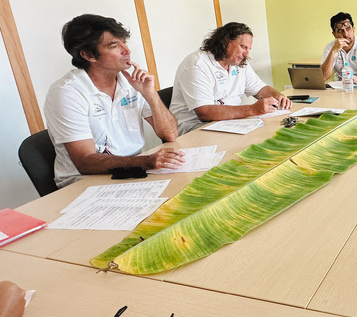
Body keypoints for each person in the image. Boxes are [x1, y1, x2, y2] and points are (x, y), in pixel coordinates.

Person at [45, 14, 183, 188]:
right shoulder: (66, 92)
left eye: (124, 42)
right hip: (84, 182)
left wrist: (150, 94)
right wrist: (144, 162)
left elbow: (170, 134)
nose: (127, 50)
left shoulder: (131, 81)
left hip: (131, 171)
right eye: (114, 46)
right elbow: (85, 162)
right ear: (88, 55)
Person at [171, 22, 292, 135]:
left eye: (248, 49)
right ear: (225, 42)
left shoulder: (238, 63)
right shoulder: (196, 65)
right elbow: (204, 113)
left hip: (229, 123)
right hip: (195, 128)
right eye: (243, 47)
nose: (246, 54)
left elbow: (260, 89)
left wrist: (278, 97)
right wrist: (253, 109)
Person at [320, 12, 357, 84]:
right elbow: (323, 77)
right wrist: (333, 52)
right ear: (334, 34)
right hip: (340, 86)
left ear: (353, 29)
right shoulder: (330, 48)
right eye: (340, 31)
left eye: (348, 28)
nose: (346, 34)